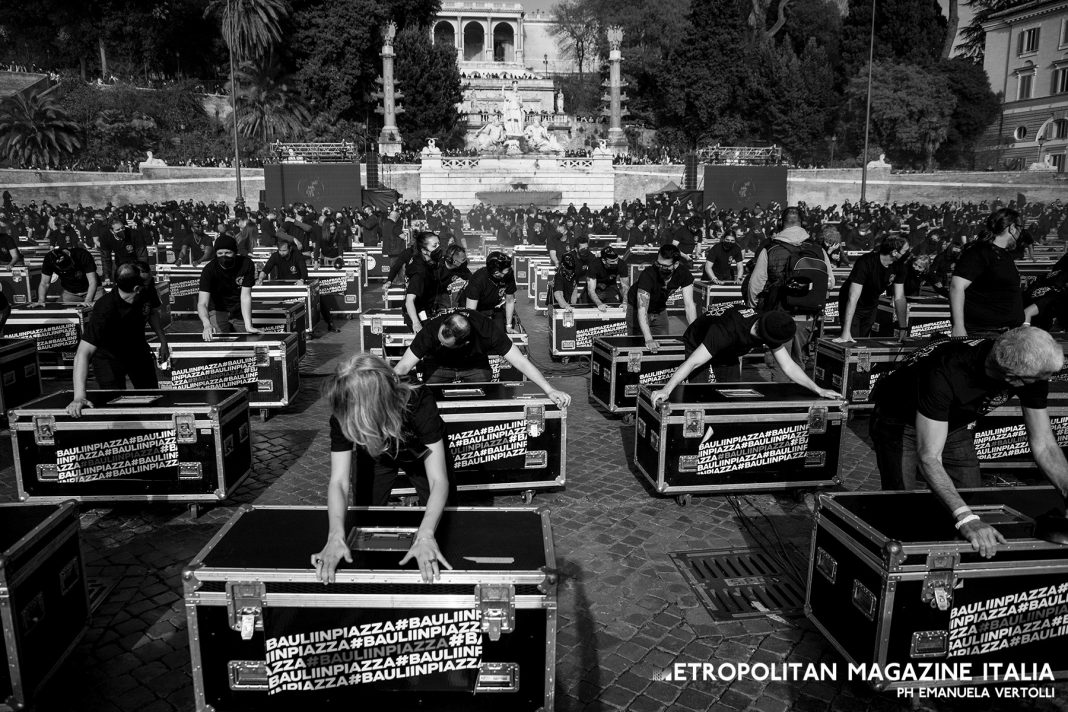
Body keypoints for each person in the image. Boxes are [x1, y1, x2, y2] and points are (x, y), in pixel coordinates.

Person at [869, 327, 1068, 558]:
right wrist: (966, 518)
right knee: (905, 508)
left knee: (971, 497)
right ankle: (902, 567)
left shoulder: (1029, 368)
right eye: (1036, 380)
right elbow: (930, 458)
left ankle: (953, 565)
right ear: (1011, 377)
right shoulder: (946, 371)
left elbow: (1044, 443)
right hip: (899, 422)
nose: (1043, 382)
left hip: (953, 424)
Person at [313, 354, 452, 584]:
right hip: (376, 454)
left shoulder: (418, 401)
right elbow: (338, 481)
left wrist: (425, 534)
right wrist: (334, 535)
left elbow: (439, 480)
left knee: (440, 520)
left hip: (419, 452)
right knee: (364, 516)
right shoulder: (344, 410)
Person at [651, 307, 840, 403]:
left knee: (730, 395)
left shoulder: (770, 324)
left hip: (730, 351)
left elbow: (789, 366)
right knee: (701, 394)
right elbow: (692, 363)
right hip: (699, 341)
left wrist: (818, 389)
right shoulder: (725, 331)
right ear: (763, 335)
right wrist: (667, 389)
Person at [394, 310, 571, 409]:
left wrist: (550, 390)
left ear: (466, 342)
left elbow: (520, 361)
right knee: (429, 404)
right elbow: (403, 366)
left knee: (482, 407)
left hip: (475, 366)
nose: (439, 342)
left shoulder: (487, 330)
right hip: (439, 365)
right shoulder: (433, 328)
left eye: (445, 343)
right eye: (439, 339)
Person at [66, 262, 169, 417]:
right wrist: (79, 396)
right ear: (136, 288)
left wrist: (163, 340)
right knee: (115, 403)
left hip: (137, 350)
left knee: (151, 396)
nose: (149, 284)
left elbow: (152, 312)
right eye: (145, 283)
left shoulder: (146, 289)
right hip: (108, 358)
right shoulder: (104, 308)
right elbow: (83, 353)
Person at [746, 207, 835, 363]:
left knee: (779, 364)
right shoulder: (818, 250)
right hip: (807, 316)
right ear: (802, 223)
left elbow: (755, 286)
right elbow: (830, 283)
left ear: (781, 223)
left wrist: (757, 309)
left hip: (777, 315)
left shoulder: (770, 249)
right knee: (799, 363)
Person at [950, 208, 1025, 338]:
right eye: (1020, 228)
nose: (1020, 233)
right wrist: (958, 327)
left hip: (1007, 332)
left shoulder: (1004, 254)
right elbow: (957, 286)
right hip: (985, 332)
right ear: (1012, 228)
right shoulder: (979, 252)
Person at [834, 237, 909, 342]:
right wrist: (846, 331)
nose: (908, 254)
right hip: (852, 302)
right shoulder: (866, 261)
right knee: (851, 339)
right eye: (905, 251)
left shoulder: (900, 266)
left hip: (871, 304)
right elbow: (853, 297)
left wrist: (903, 328)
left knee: (863, 340)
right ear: (894, 252)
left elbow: (899, 298)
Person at [626, 244, 697, 352]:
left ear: (676, 264)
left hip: (660, 309)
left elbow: (689, 305)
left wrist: (695, 332)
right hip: (636, 308)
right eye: (659, 264)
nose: (661, 268)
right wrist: (649, 339)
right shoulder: (648, 274)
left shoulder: (683, 273)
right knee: (637, 346)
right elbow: (642, 309)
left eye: (666, 266)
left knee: (663, 345)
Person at [197, 235, 260, 340]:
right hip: (218, 310)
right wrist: (206, 324)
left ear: (235, 252)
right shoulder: (209, 270)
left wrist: (248, 325)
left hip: (239, 310)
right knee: (220, 345)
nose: (224, 257)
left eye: (228, 253)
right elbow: (202, 303)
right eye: (220, 253)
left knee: (246, 344)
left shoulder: (246, 264)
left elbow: (245, 297)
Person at [463, 250, 516, 331]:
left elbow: (510, 301)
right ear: (496, 272)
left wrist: (508, 326)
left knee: (499, 333)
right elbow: (471, 312)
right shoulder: (478, 280)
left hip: (493, 307)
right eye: (506, 270)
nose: (509, 271)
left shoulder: (508, 274)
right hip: (475, 309)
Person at [31, 246, 100, 306]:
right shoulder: (49, 260)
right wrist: (41, 300)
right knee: (60, 315)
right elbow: (44, 283)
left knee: (102, 311)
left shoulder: (82, 255)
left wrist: (88, 300)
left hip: (94, 290)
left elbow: (92, 281)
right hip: (70, 292)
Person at [403, 232, 441, 332]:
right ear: (424, 250)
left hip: (428, 310)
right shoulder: (420, 272)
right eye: (434, 246)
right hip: (419, 315)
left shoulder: (428, 262)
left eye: (438, 244)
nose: (438, 248)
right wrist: (416, 323)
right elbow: (409, 301)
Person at [435, 245, 472, 314]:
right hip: (434, 295)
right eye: (463, 260)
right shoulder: (437, 268)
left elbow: (472, 280)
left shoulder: (462, 268)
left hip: (447, 296)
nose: (465, 262)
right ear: (454, 261)